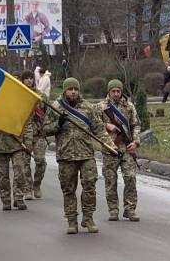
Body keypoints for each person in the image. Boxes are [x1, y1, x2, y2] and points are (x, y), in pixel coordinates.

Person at [43, 77, 116, 234]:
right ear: (65, 90)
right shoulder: (56, 107)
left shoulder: (88, 108)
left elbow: (99, 129)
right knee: (68, 189)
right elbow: (45, 129)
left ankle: (88, 218)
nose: (73, 92)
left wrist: (111, 145)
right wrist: (58, 124)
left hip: (86, 154)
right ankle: (71, 220)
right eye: (70, 89)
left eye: (76, 89)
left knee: (90, 186)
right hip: (66, 155)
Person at [98, 79, 141, 222]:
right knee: (111, 180)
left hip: (127, 148)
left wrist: (135, 141)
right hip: (110, 148)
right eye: (113, 91)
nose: (116, 94)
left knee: (130, 178)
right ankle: (113, 210)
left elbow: (136, 125)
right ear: (108, 92)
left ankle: (130, 209)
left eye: (118, 91)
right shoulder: (101, 107)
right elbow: (93, 125)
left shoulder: (129, 106)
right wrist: (106, 125)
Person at [0, 107, 33, 212]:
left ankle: (18, 198)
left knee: (20, 172)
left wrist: (28, 143)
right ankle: (6, 200)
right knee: (3, 176)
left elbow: (27, 125)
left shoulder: (17, 105)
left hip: (17, 145)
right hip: (0, 145)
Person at [20, 70, 47, 199]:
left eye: (31, 78)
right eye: (26, 78)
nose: (29, 80)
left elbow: (47, 113)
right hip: (24, 135)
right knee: (25, 163)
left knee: (41, 161)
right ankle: (28, 189)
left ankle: (36, 184)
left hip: (39, 134)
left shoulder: (40, 95)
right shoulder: (18, 95)